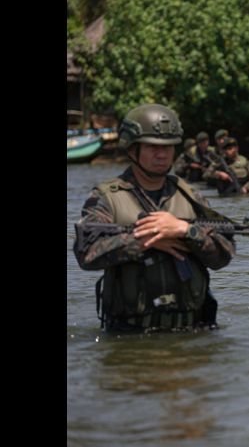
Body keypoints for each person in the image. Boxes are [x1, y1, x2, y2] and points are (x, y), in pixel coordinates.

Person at [73, 104, 235, 332]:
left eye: (168, 147)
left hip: (192, 332)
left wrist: (186, 231)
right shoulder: (106, 198)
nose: (162, 155)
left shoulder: (190, 196)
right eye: (152, 147)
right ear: (132, 149)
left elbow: (223, 255)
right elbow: (86, 254)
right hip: (131, 335)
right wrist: (145, 240)